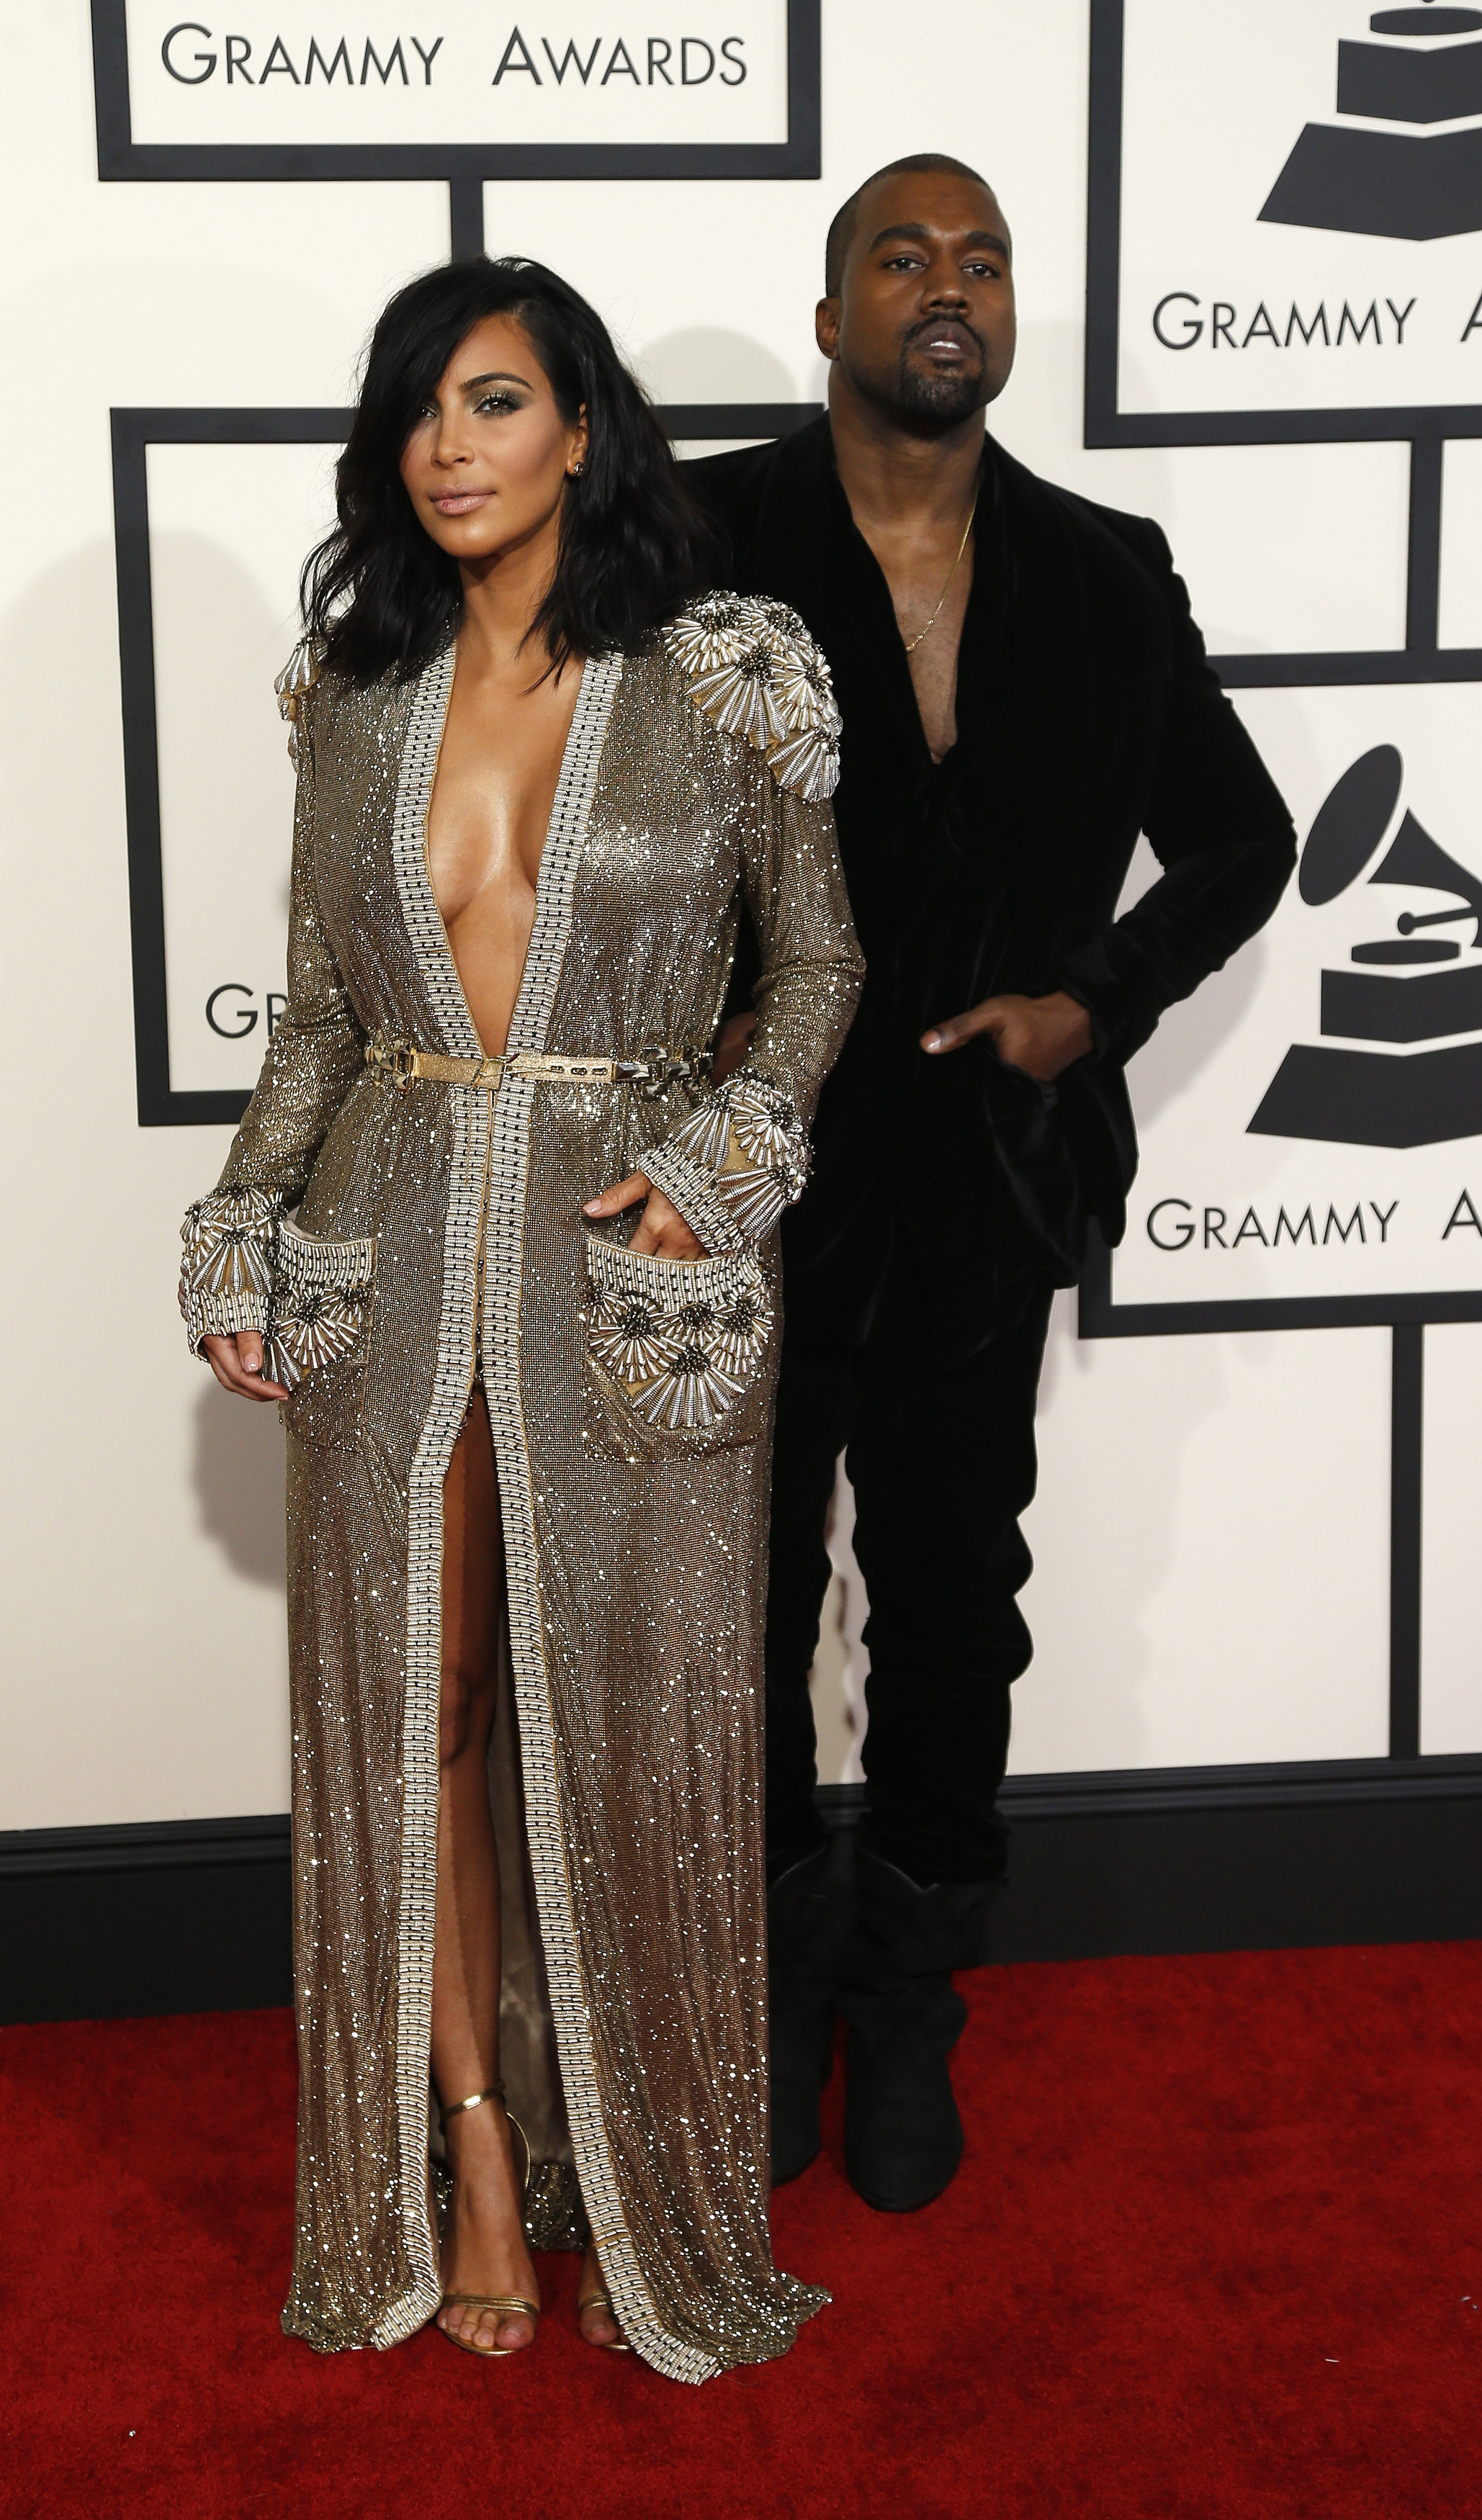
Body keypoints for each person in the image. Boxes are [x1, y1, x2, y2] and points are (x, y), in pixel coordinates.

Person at [176, 256, 861, 2378]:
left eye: (492, 401)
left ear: (581, 427)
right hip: (390, 1253)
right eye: (418, 409)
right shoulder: (353, 691)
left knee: (639, 1720)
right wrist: (239, 1223)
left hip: (625, 1269)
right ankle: (471, 2142)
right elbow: (318, 1016)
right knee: (431, 1714)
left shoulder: (725, 675)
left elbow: (821, 966)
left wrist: (724, 1162)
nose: (448, 446)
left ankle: (652, 2175)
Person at [686, 156, 1297, 2212]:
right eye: (903, 257)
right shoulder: (700, 546)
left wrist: (1090, 1006)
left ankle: (910, 1996)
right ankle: (774, 1978)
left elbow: (1244, 839)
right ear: (833, 312)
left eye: (983, 261)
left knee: (955, 1613)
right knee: (742, 1617)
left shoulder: (1106, 572)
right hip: (746, 1194)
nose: (948, 287)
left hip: (989, 1193)